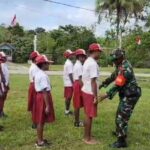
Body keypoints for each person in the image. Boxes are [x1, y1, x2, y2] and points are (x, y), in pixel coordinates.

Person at [99, 49, 141, 148]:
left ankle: (121, 141)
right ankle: (120, 132)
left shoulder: (126, 68)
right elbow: (114, 76)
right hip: (126, 94)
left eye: (115, 59)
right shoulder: (120, 65)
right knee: (120, 114)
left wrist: (106, 95)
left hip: (131, 95)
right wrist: (104, 83)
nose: (114, 61)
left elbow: (118, 85)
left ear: (121, 57)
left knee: (122, 117)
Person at [81, 43, 103, 144]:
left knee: (87, 114)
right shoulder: (93, 64)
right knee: (89, 115)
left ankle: (87, 135)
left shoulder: (87, 61)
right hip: (90, 92)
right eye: (99, 51)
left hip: (85, 90)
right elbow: (93, 81)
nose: (100, 53)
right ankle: (87, 138)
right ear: (95, 51)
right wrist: (95, 96)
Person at [33, 55, 55, 148]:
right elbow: (45, 91)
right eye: (47, 63)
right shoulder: (42, 75)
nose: (49, 65)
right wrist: (47, 105)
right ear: (43, 64)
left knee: (40, 120)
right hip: (43, 97)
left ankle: (40, 139)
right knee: (41, 121)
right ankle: (40, 142)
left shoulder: (39, 73)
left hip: (40, 96)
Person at [73, 49, 86, 127]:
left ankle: (77, 120)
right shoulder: (79, 66)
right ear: (78, 57)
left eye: (84, 56)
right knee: (77, 104)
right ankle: (77, 122)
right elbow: (80, 78)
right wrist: (84, 88)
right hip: (78, 84)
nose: (84, 58)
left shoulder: (78, 64)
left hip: (77, 83)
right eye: (82, 56)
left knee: (77, 103)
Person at [28, 51, 39, 128]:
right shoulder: (34, 68)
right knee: (35, 104)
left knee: (34, 103)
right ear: (35, 58)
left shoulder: (34, 66)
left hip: (34, 85)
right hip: (35, 85)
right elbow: (36, 79)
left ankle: (35, 120)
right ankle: (35, 122)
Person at [63, 49, 75, 115]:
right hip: (69, 84)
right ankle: (67, 111)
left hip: (68, 83)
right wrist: (73, 84)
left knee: (68, 97)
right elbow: (70, 75)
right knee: (68, 97)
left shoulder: (69, 62)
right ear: (68, 56)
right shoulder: (69, 64)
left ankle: (67, 110)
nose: (72, 55)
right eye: (71, 54)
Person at [0, 52, 9, 118]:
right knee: (1, 98)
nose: (6, 58)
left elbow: (6, 76)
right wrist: (4, 86)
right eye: (4, 57)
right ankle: (1, 112)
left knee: (3, 99)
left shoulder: (4, 65)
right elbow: (2, 78)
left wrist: (7, 84)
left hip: (5, 84)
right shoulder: (1, 66)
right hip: (2, 85)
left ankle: (1, 111)